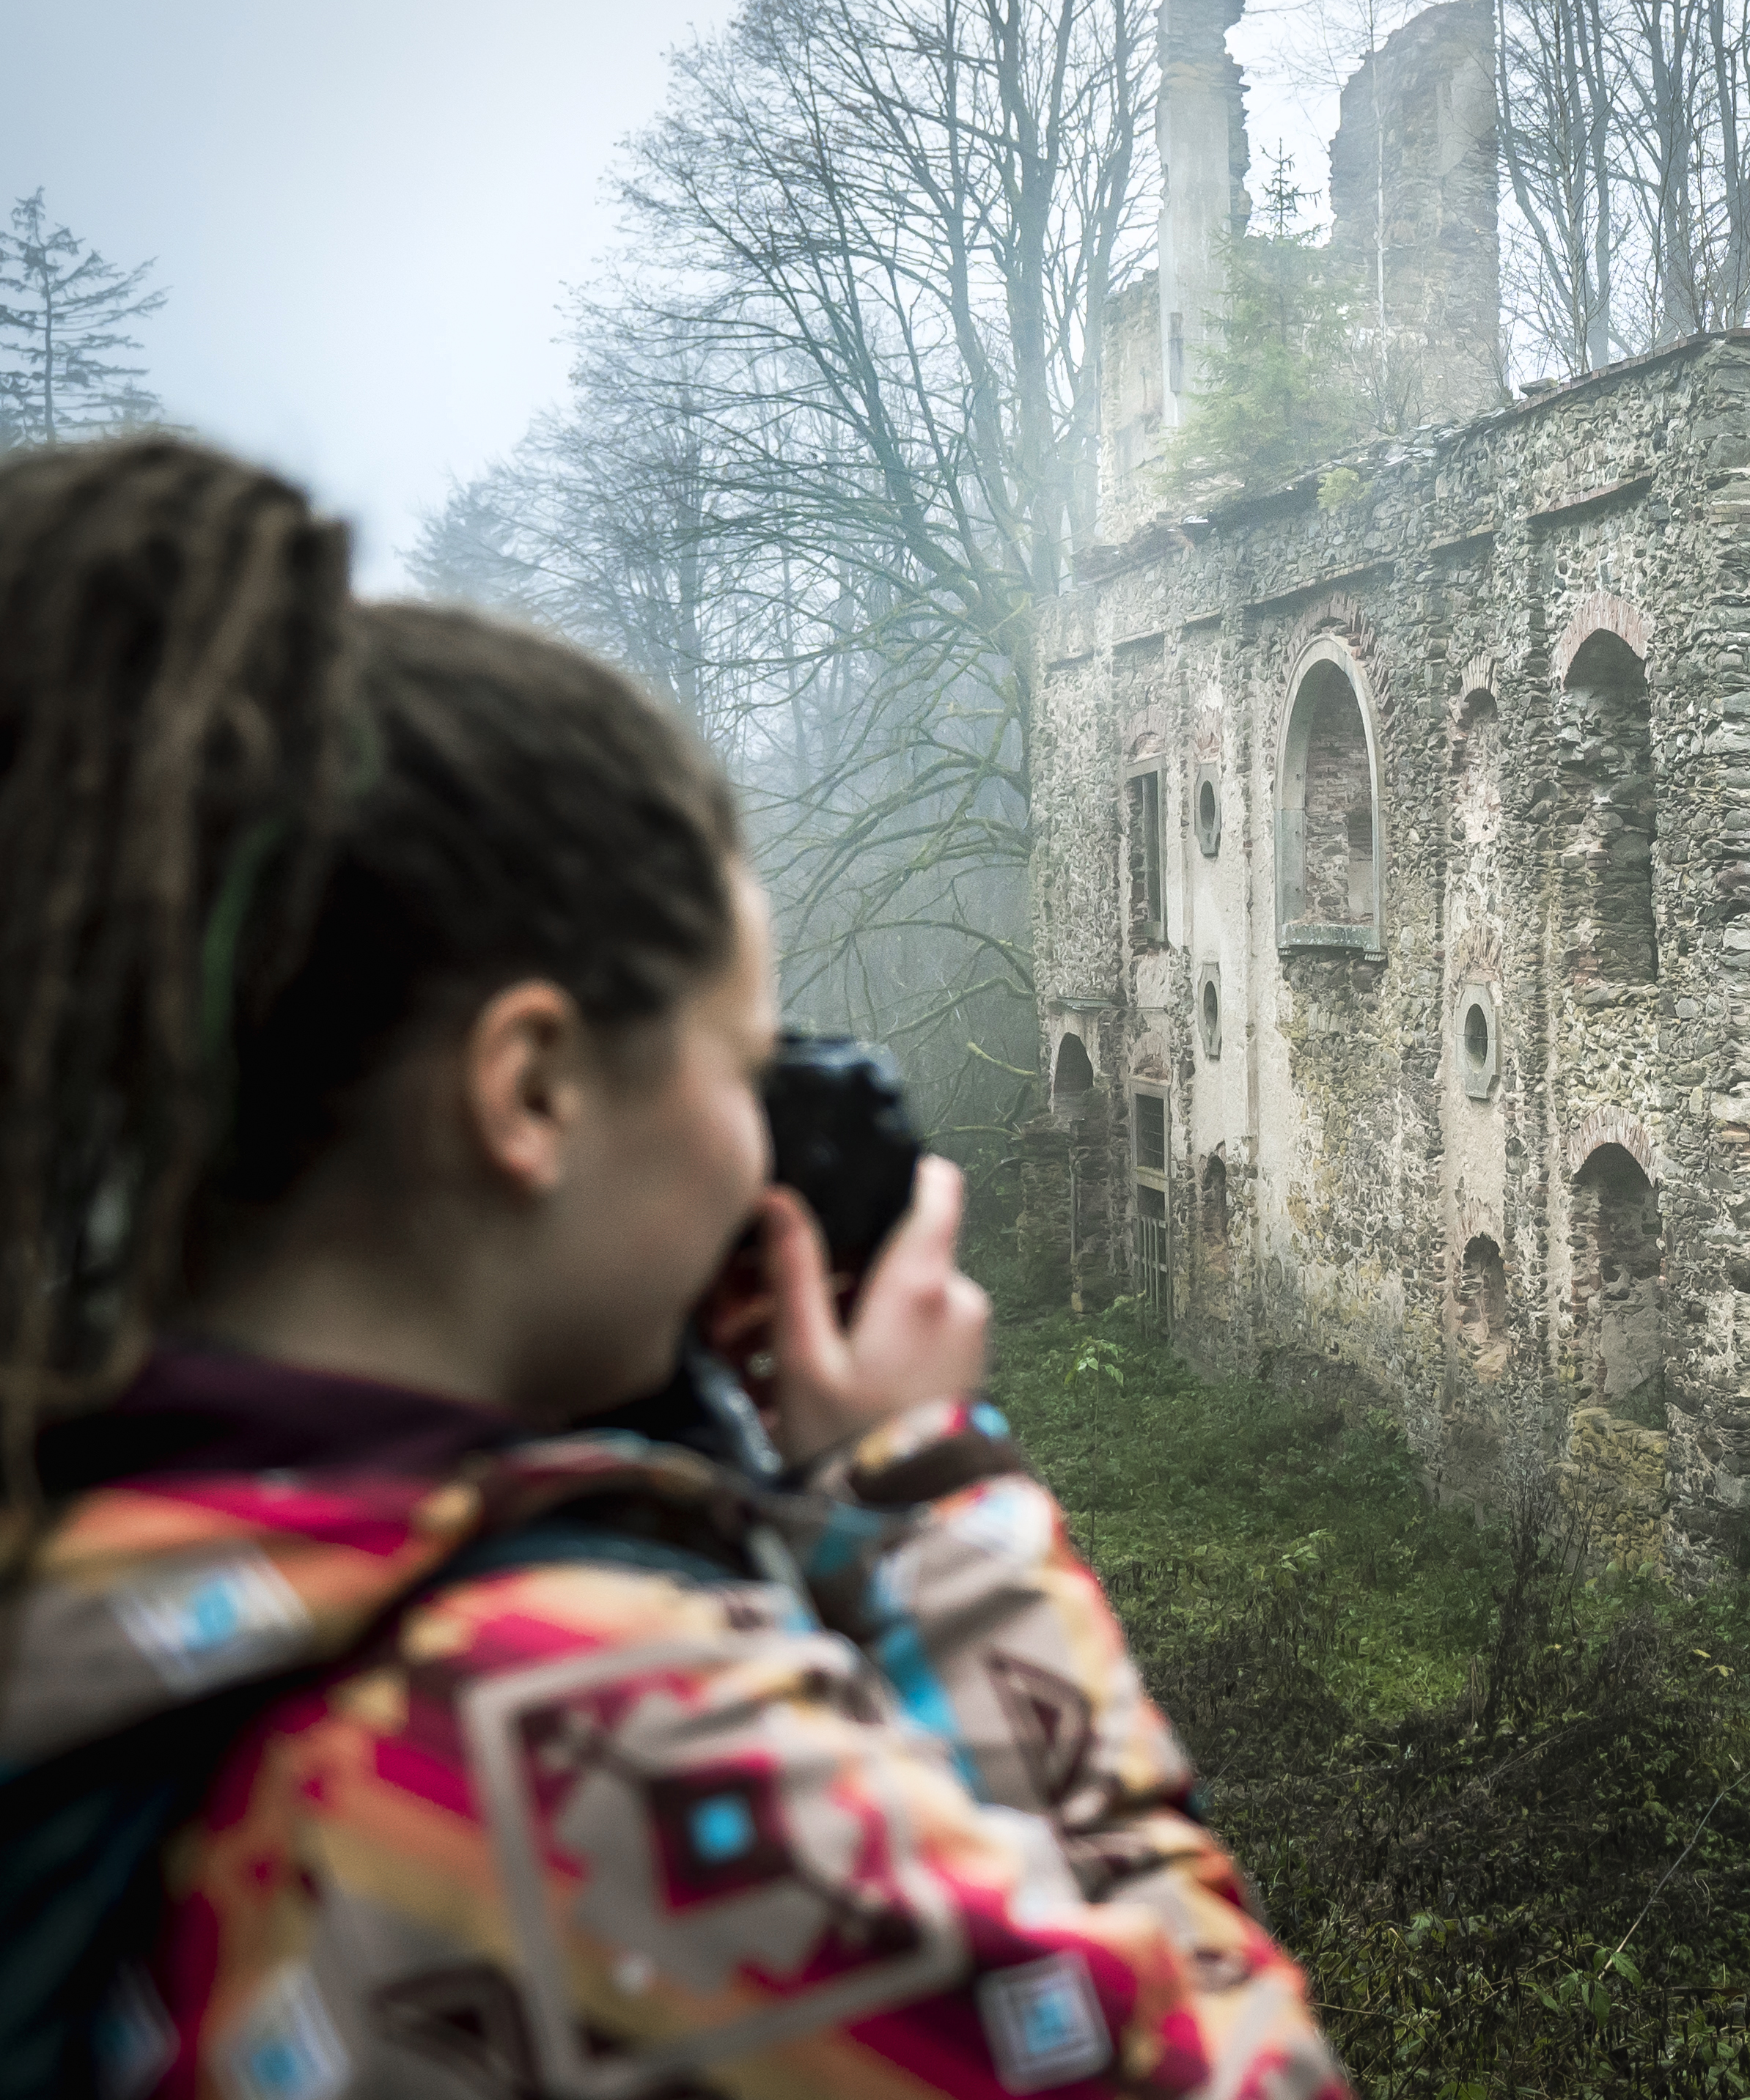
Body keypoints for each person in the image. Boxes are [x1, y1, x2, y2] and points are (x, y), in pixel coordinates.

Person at [0, 438, 1349, 2099]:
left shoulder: (92, 1545)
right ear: (536, 1091)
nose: (758, 1136)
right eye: (739, 1058)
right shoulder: (563, 1743)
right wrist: (934, 1511)